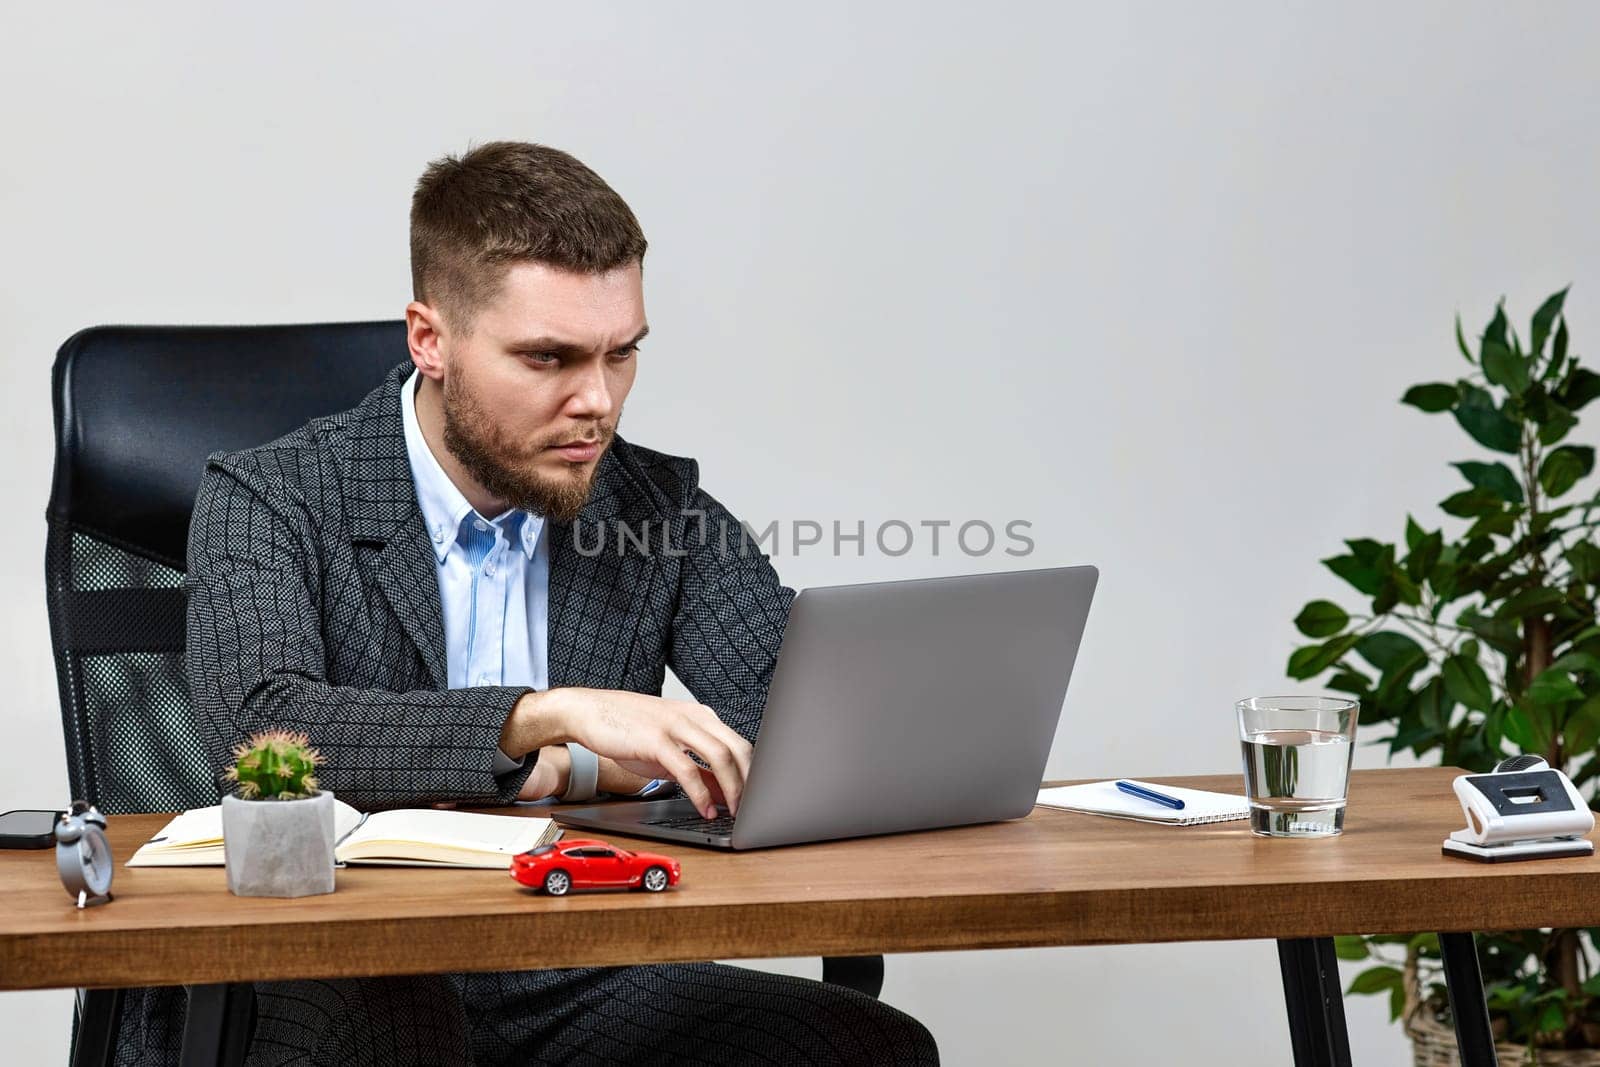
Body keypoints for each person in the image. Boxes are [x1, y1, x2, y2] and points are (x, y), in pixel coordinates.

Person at [110, 142, 937, 1066]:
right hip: (332, 964)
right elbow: (262, 728)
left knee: (863, 1047)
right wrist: (546, 718)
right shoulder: (271, 497)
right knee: (404, 1031)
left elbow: (800, 722)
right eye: (549, 357)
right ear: (430, 340)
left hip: (577, 957)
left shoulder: (655, 511)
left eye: (621, 354)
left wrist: (585, 771)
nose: (598, 401)